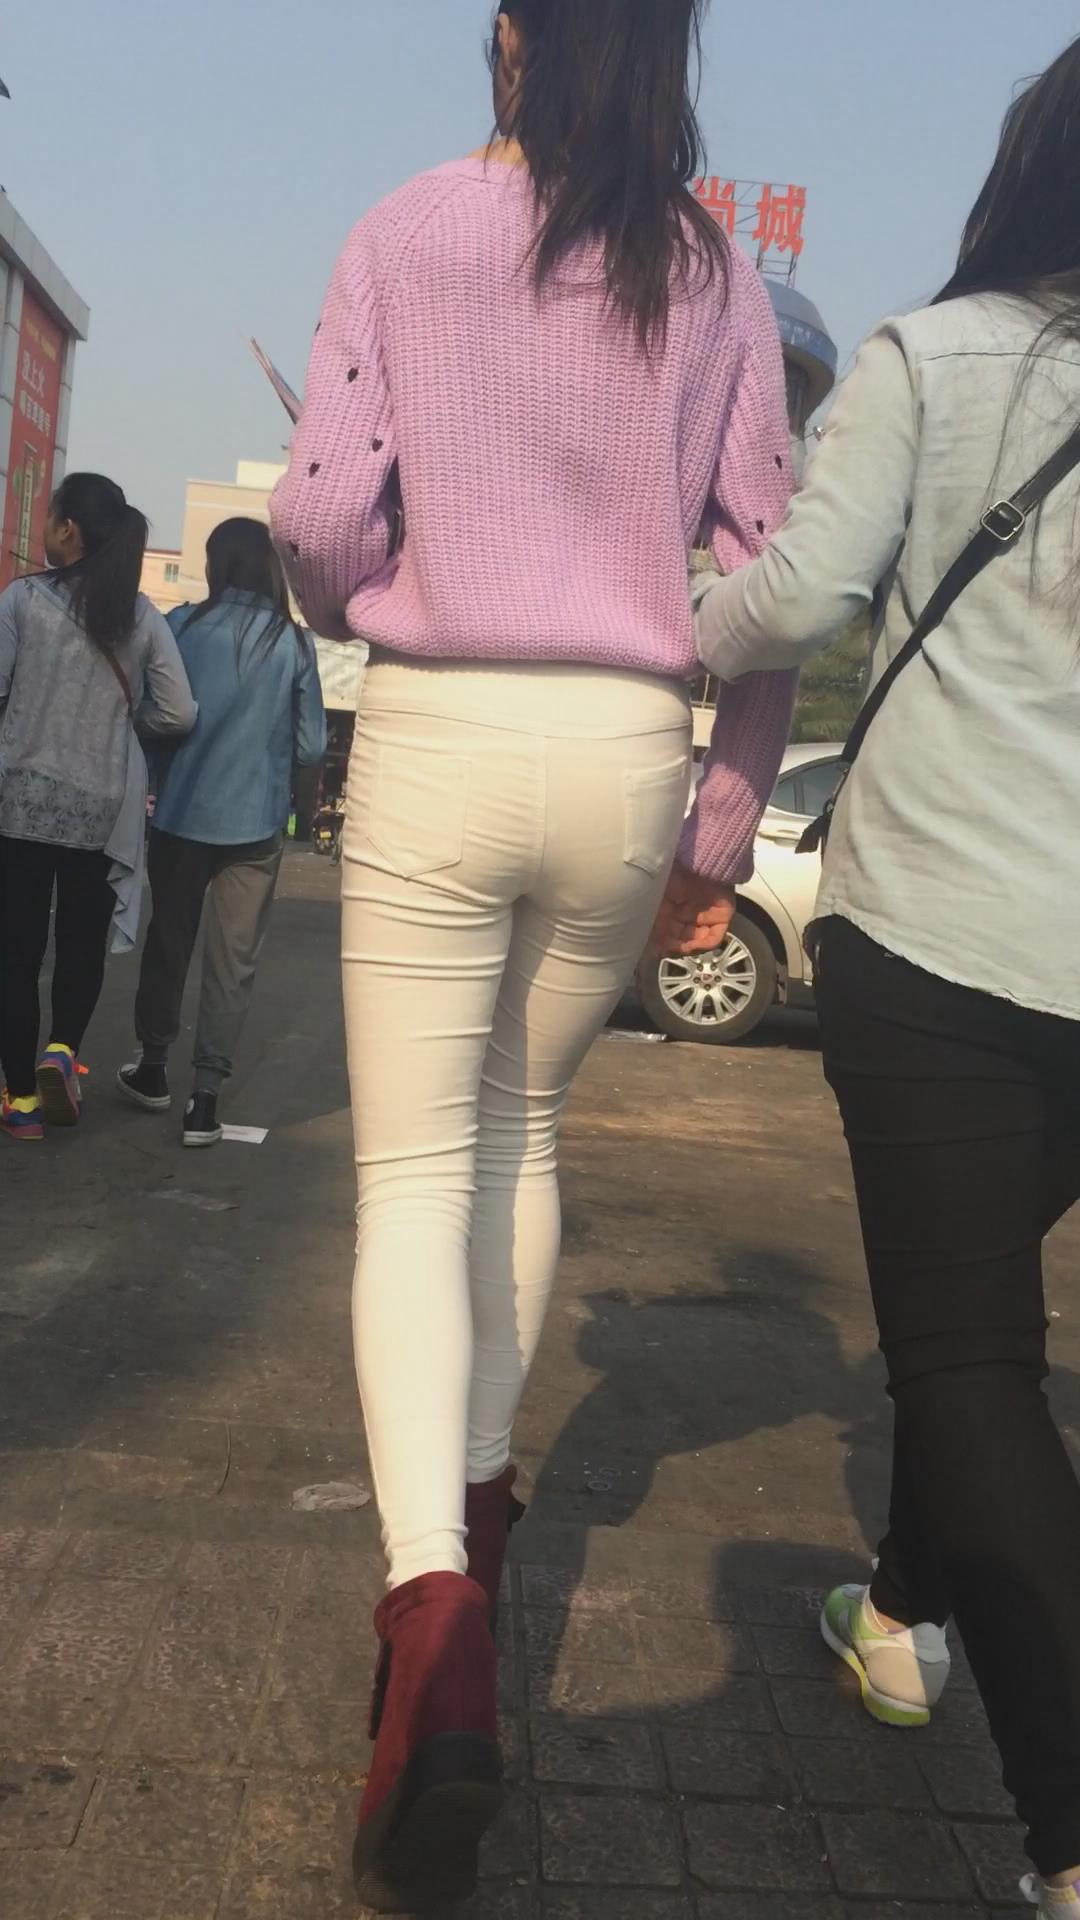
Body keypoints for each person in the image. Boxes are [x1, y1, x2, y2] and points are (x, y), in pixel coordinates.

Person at [271, 1, 796, 1907]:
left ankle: (434, 1615)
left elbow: (320, 526)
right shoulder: (715, 271)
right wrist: (719, 831)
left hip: (443, 727)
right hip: (627, 748)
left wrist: (366, 565)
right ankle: (478, 1530)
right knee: (519, 1136)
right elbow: (770, 577)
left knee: (414, 1172)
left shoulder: (408, 228)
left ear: (507, 36)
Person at [677, 34, 1080, 1915]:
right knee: (966, 1309)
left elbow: (800, 594)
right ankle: (904, 1615)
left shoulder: (939, 358)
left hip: (948, 934)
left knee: (974, 1362)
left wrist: (674, 609)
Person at [0, 473, 196, 1143]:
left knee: (17, 953)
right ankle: (62, 1052)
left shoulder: (22, 599)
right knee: (81, 944)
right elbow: (180, 711)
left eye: (49, 516)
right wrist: (127, 721)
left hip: (20, 804)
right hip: (99, 807)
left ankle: (22, 1102)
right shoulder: (140, 616)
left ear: (68, 530)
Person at [118, 517, 326, 1147]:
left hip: (180, 815)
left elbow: (155, 713)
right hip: (255, 826)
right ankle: (204, 1101)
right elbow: (312, 746)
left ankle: (153, 1067)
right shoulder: (293, 643)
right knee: (233, 961)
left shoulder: (180, 627)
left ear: (218, 565)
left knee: (169, 941)